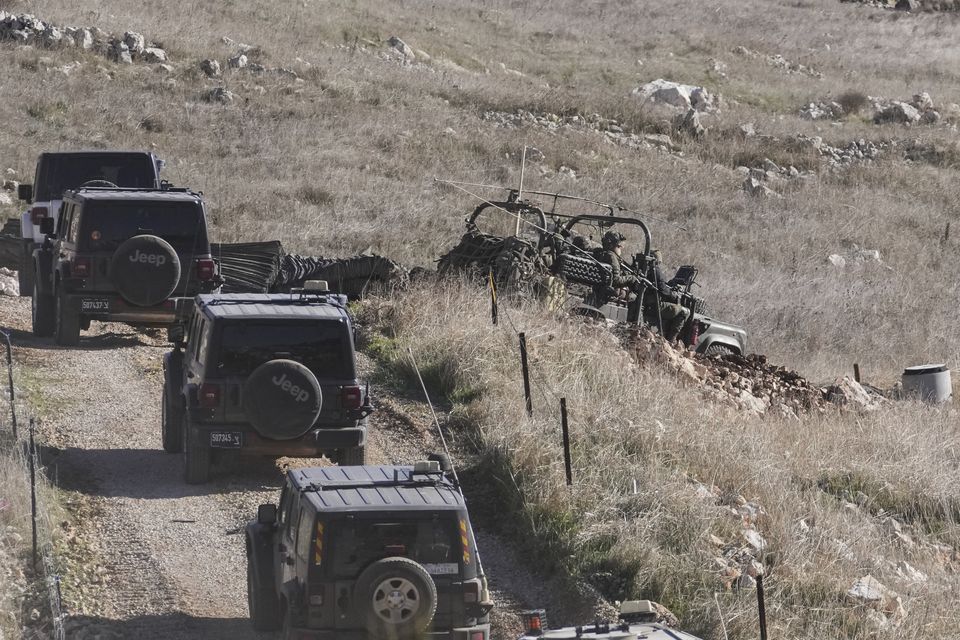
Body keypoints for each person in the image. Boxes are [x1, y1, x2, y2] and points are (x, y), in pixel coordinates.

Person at [643, 248, 690, 342]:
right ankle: (671, 340)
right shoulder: (656, 271)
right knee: (684, 312)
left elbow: (661, 286)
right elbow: (663, 291)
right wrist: (675, 295)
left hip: (646, 303)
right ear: (657, 261)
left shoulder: (643, 268)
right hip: (654, 306)